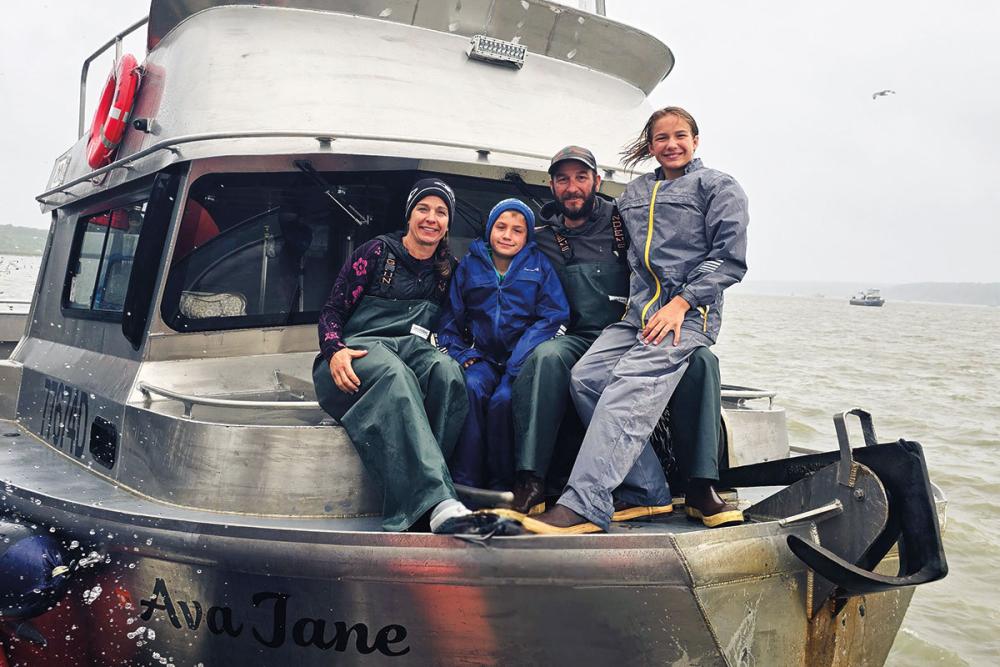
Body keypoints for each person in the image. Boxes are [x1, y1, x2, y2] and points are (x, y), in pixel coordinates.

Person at [523, 107, 749, 534]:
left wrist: (681, 303)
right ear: (650, 146)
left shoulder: (718, 187)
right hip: (638, 315)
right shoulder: (634, 194)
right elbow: (596, 225)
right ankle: (647, 491)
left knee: (628, 384)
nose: (671, 145)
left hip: (686, 315)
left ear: (695, 140)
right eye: (661, 138)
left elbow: (729, 260)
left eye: (680, 135)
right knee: (586, 377)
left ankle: (585, 502)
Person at [312, 178, 512, 535]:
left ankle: (432, 494)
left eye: (440, 212)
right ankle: (435, 501)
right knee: (396, 375)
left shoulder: (447, 269)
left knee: (447, 372)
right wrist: (334, 351)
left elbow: (463, 323)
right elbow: (331, 312)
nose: (431, 218)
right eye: (423, 208)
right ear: (410, 215)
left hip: (410, 351)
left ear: (449, 223)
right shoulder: (374, 253)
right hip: (356, 354)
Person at [438, 199, 569, 492]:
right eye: (501, 227)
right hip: (482, 360)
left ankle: (503, 483)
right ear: (489, 229)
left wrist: (521, 360)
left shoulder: (539, 266)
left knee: (504, 402)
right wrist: (462, 353)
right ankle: (466, 481)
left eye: (517, 230)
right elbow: (450, 320)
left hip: (520, 363)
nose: (507, 235)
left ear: (527, 236)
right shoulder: (470, 265)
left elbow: (554, 316)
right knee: (470, 388)